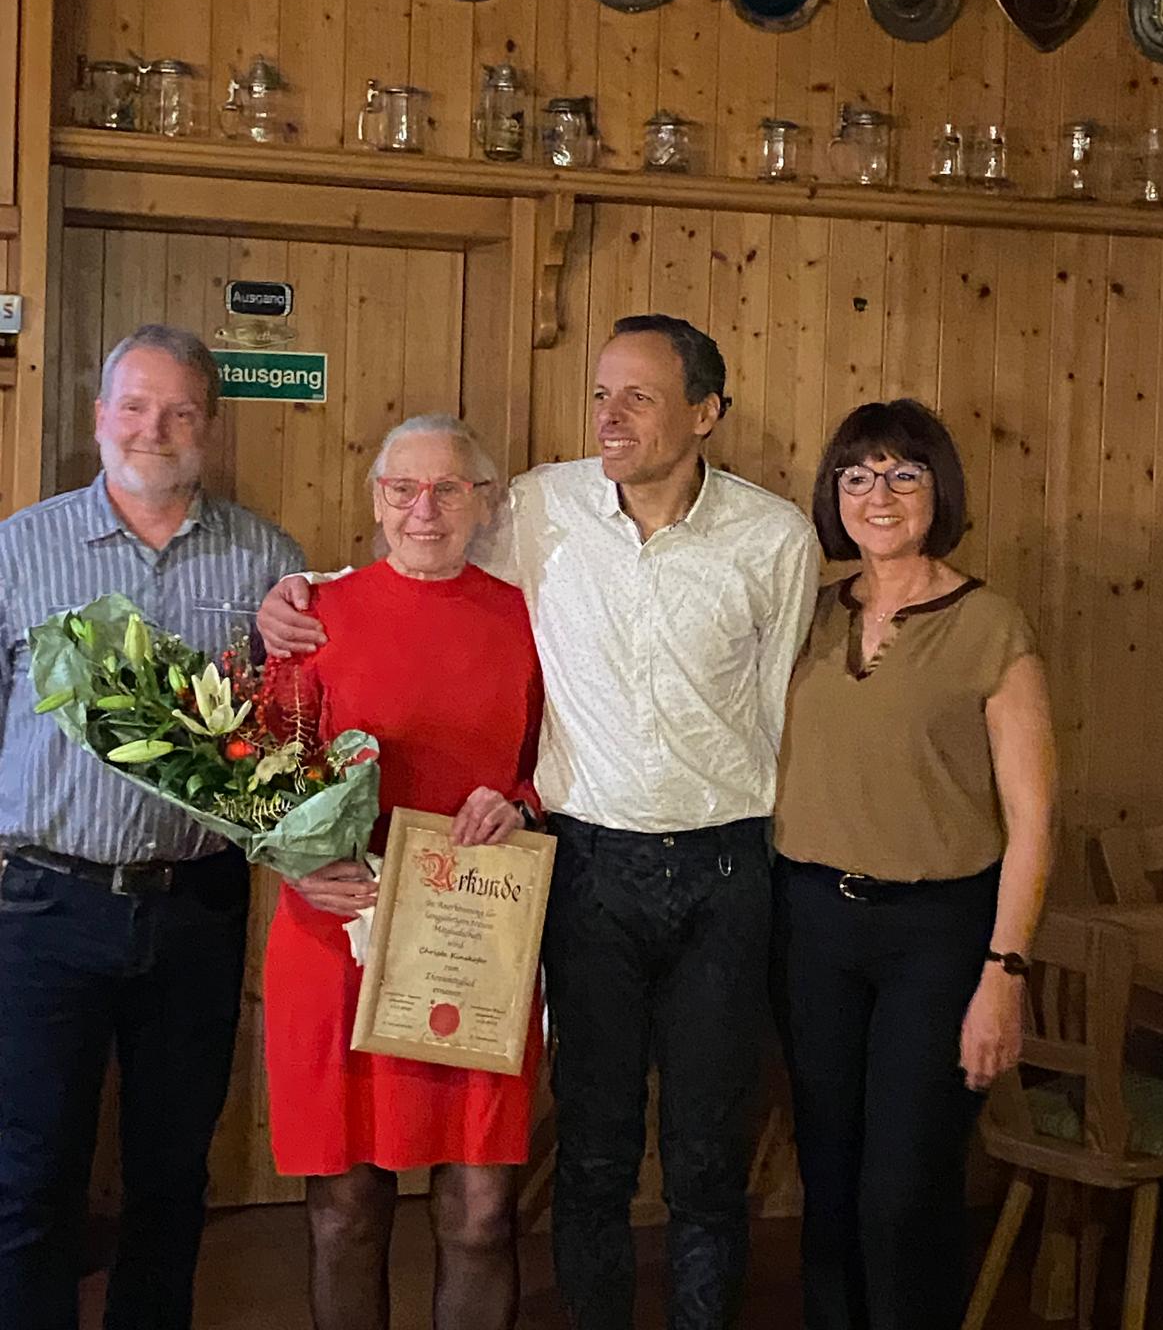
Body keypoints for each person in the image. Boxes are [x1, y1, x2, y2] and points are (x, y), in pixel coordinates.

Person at [257, 314, 821, 1330]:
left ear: (705, 412)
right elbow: (397, 582)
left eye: (638, 396)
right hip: (495, 887)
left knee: (683, 1159)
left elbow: (775, 699)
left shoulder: (766, 538)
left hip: (664, 875)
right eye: (601, 394)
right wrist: (297, 594)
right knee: (562, 1158)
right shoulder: (539, 510)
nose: (611, 416)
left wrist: (520, 798)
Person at [0, 324, 305, 1330]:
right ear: (99, 417)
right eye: (134, 406)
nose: (153, 429)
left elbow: (285, 737)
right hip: (44, 902)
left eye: (178, 411)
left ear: (209, 427)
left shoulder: (268, 559)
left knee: (172, 1178)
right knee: (29, 1175)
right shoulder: (21, 548)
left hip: (197, 909)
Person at [771, 398, 1057, 1330]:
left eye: (904, 474)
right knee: (828, 1182)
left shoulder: (993, 626)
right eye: (856, 476)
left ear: (942, 490)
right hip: (810, 925)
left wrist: (1004, 974)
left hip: (937, 938)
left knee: (905, 1194)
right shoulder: (810, 615)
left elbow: (1034, 820)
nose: (879, 495)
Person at [261, 414, 544, 1330]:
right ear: (376, 501)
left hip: (474, 932)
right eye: (403, 489)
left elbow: (565, 765)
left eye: (448, 488)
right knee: (345, 1212)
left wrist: (524, 805)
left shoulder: (530, 620)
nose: (425, 509)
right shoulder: (315, 617)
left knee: (481, 1213)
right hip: (335, 932)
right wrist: (295, 863)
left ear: (483, 501)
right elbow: (260, 775)